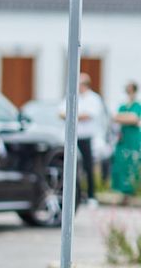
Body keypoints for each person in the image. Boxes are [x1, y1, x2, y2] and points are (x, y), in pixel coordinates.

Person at [60, 73, 104, 207]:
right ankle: (74, 195)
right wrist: (76, 115)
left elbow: (89, 115)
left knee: (88, 166)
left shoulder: (93, 98)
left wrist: (72, 115)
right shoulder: (73, 95)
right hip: (72, 137)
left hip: (86, 138)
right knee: (71, 166)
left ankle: (91, 195)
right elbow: (60, 112)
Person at [111, 82, 141, 204]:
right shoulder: (122, 105)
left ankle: (131, 192)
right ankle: (122, 192)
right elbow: (115, 117)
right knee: (120, 163)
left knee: (132, 163)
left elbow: (134, 118)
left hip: (133, 138)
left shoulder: (137, 105)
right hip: (123, 137)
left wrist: (123, 118)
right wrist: (125, 118)